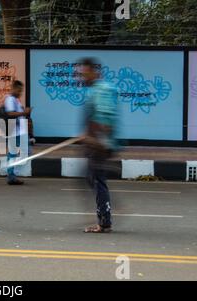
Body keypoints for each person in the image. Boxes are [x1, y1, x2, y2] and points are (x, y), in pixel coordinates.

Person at [78, 58, 119, 233]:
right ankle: (106, 215)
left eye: (85, 73)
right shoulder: (95, 90)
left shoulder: (102, 90)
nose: (82, 77)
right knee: (92, 178)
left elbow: (104, 118)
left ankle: (104, 221)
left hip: (98, 145)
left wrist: (97, 139)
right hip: (94, 143)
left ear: (95, 72)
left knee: (97, 180)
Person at [4, 80, 31, 185]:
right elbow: (10, 113)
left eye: (21, 91)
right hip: (14, 132)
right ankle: (11, 175)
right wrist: (24, 112)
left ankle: (12, 174)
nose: (20, 93)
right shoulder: (10, 99)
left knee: (22, 152)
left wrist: (25, 114)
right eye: (19, 90)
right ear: (14, 88)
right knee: (13, 154)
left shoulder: (16, 100)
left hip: (19, 131)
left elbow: (19, 115)